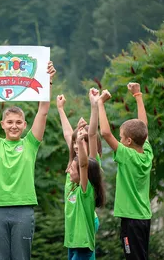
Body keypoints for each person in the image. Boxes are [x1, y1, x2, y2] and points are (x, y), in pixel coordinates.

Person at [0, 61, 56, 260]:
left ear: (24, 125)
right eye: (10, 122)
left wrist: (48, 81)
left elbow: (43, 110)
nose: (14, 126)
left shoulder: (31, 143)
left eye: (18, 122)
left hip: (23, 211)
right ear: (2, 124)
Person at [97, 83, 153, 260]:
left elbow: (105, 133)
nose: (119, 140)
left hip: (131, 220)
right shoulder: (147, 153)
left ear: (128, 141)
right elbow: (143, 126)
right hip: (144, 217)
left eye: (121, 137)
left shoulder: (126, 155)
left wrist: (100, 103)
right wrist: (138, 95)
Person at [57, 93, 103, 260]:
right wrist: (60, 109)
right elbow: (69, 135)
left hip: (85, 217)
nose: (77, 145)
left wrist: (94, 106)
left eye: (80, 142)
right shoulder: (73, 164)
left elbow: (91, 135)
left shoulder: (90, 161)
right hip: (74, 224)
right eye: (75, 143)